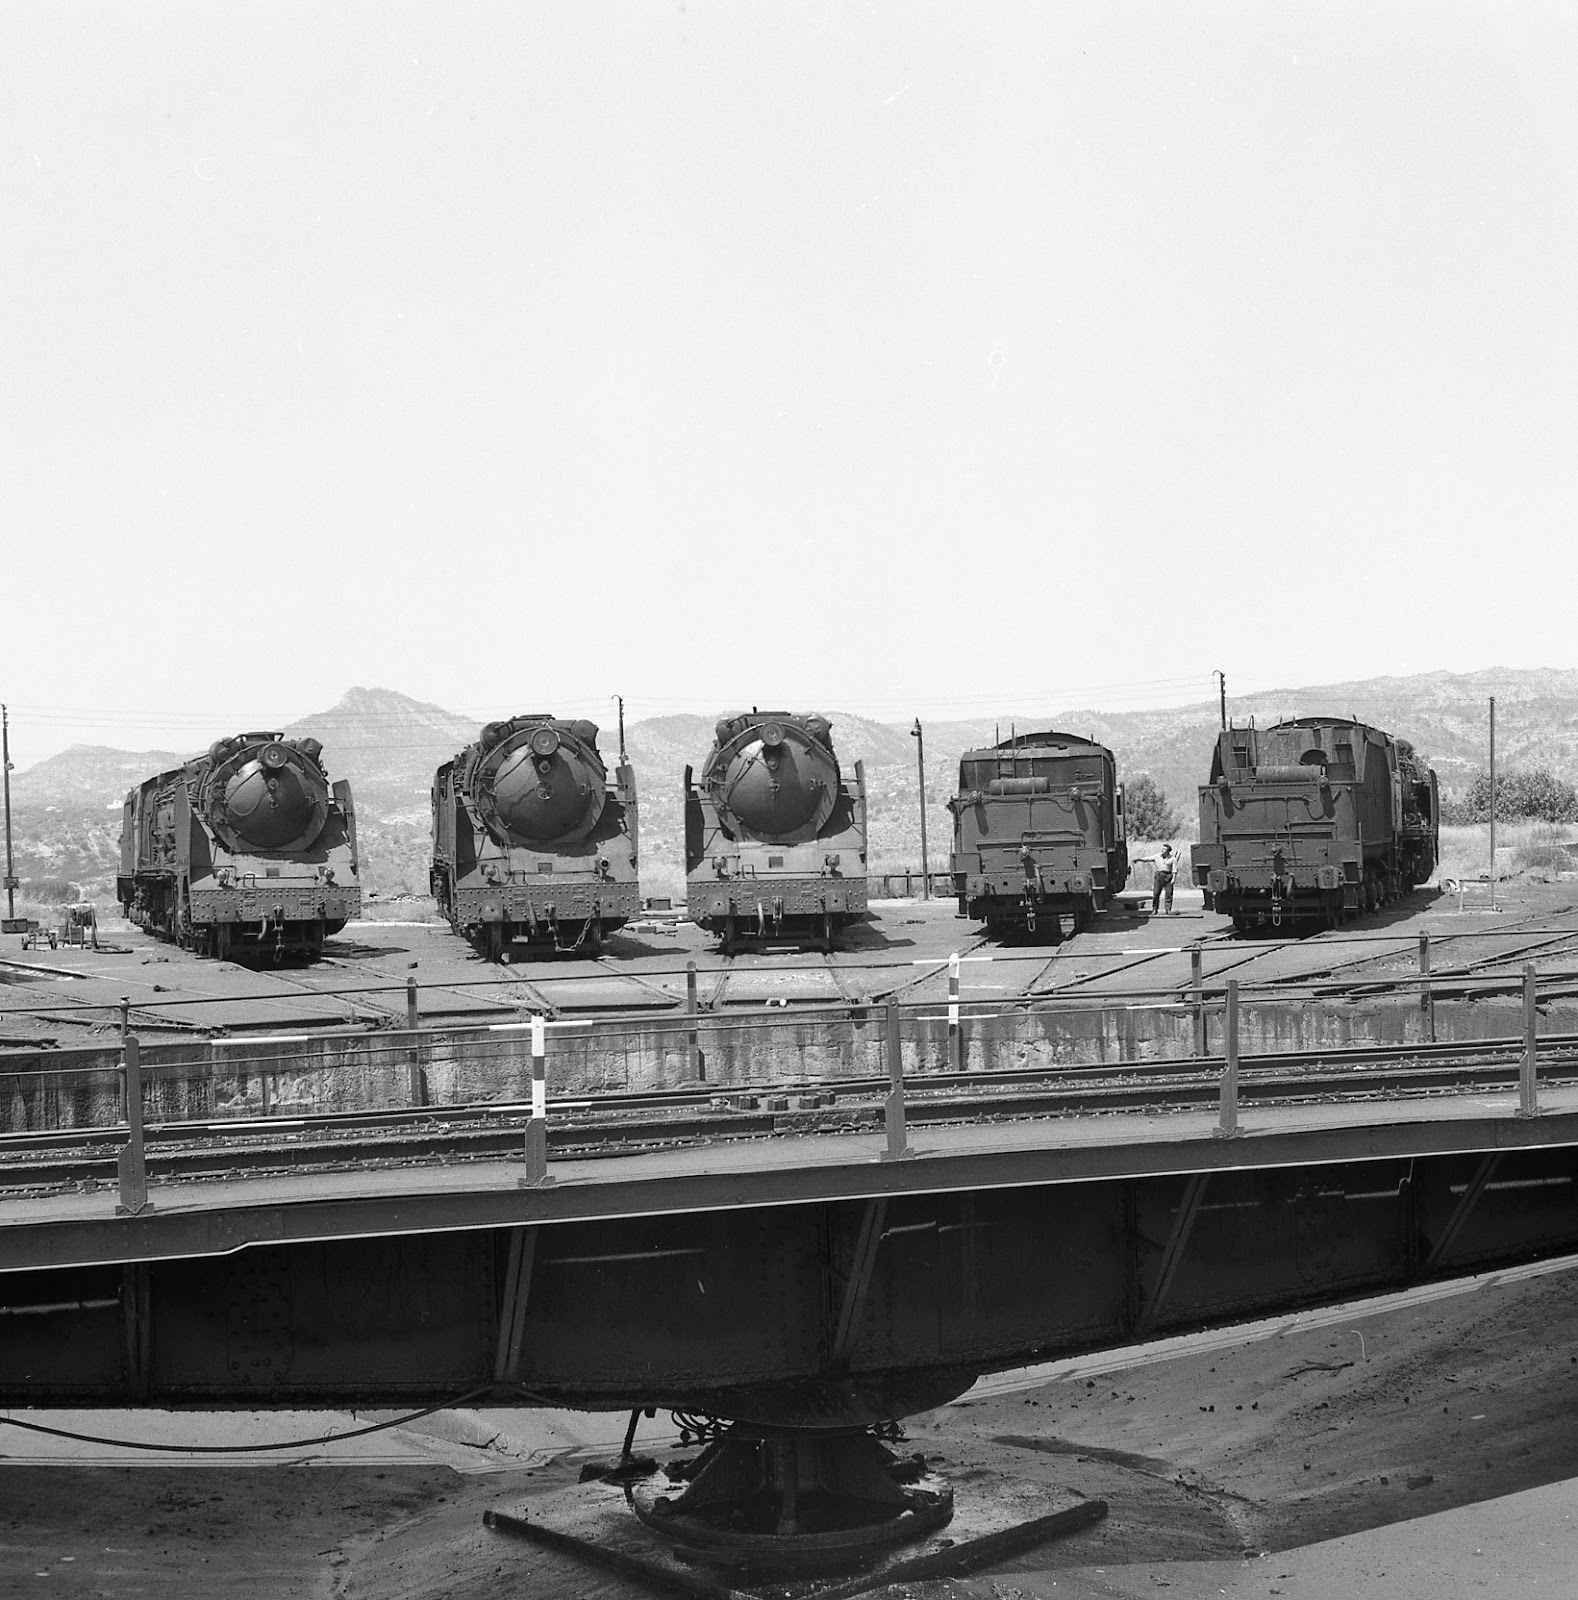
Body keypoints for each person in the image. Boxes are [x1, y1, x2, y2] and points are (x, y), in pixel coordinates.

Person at [1152, 843, 1177, 915]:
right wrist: (1138, 859)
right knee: (1156, 894)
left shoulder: (1173, 859)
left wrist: (1173, 879)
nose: (1162, 850)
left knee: (1169, 894)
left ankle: (1168, 909)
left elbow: (1174, 870)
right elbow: (1147, 859)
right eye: (1162, 849)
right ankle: (1154, 909)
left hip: (1168, 876)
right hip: (1159, 875)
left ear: (1168, 851)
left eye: (1164, 849)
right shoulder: (1157, 856)